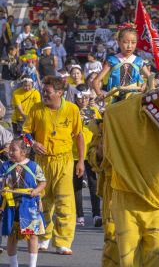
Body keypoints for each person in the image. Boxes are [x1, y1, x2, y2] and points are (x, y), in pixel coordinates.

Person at [23, 76, 84, 255]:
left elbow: (79, 135)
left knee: (65, 201)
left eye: (48, 92)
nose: (44, 95)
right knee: (42, 200)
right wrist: (33, 143)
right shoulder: (36, 108)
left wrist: (80, 160)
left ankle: (63, 241)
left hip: (64, 161)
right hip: (42, 162)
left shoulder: (72, 109)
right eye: (43, 91)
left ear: (59, 93)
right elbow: (25, 133)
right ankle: (44, 237)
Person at [0, 134, 46, 267]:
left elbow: (43, 182)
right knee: (12, 236)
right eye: (10, 150)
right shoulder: (5, 166)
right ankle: (13, 265)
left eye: (13, 150)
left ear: (24, 152)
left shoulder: (34, 166)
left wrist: (36, 191)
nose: (10, 152)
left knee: (32, 235)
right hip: (11, 205)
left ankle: (32, 265)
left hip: (29, 205)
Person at [73, 84, 102, 228]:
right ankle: (80, 215)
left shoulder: (94, 110)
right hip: (74, 153)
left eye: (86, 97)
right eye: (81, 97)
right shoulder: (72, 110)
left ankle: (96, 214)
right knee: (77, 185)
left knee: (93, 183)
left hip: (91, 152)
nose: (83, 100)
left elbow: (100, 129)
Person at [93, 24, 151, 95]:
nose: (129, 46)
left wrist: (145, 85)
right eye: (125, 42)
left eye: (133, 42)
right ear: (118, 42)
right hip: (116, 99)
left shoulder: (139, 61)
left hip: (135, 98)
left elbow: (151, 78)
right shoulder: (112, 60)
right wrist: (99, 94)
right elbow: (96, 81)